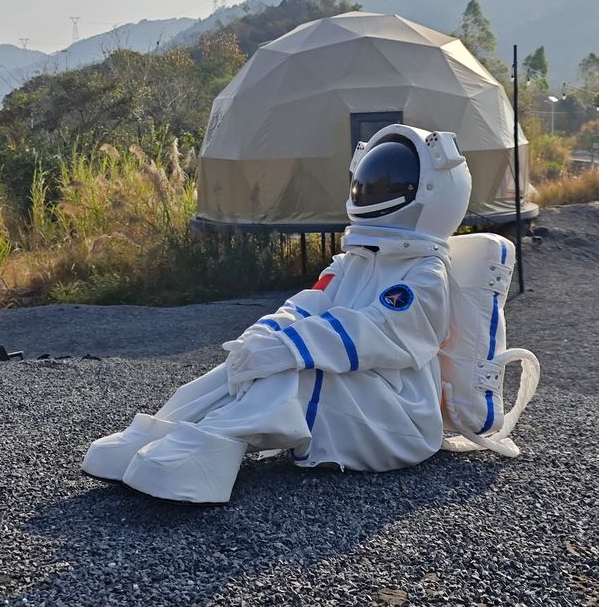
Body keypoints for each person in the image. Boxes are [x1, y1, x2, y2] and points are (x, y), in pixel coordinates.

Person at [82, 124, 472, 502]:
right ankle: (163, 431)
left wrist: (287, 348)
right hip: (363, 397)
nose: (373, 189)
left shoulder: (426, 274)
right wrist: (261, 339)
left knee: (295, 370)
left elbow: (378, 330)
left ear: (433, 189)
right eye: (371, 181)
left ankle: (207, 451)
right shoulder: (351, 263)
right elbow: (305, 305)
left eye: (389, 183)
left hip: (401, 417)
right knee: (244, 364)